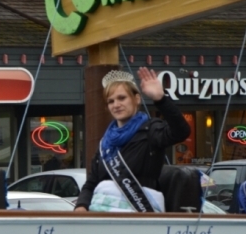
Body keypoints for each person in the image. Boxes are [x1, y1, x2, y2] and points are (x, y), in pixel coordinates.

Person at [74, 67, 191, 213]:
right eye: (111, 101)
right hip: (103, 216)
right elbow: (92, 182)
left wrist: (160, 99)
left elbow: (181, 131)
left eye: (122, 98)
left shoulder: (151, 130)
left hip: (140, 214)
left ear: (136, 99)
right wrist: (81, 205)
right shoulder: (106, 143)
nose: (116, 105)